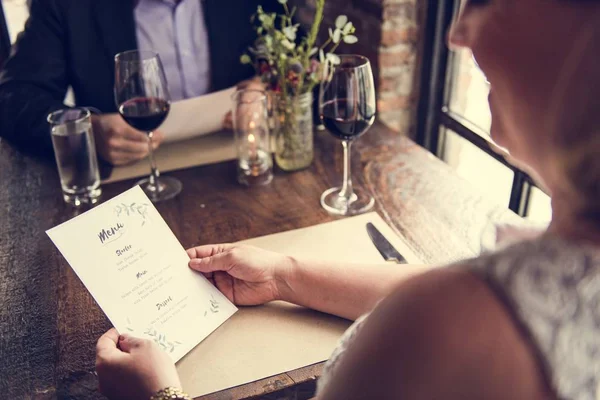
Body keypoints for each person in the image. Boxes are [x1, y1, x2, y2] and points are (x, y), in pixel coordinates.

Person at [94, 0, 600, 399]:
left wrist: (159, 395)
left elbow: (451, 302)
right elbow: (442, 282)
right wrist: (283, 274)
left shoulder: (453, 324)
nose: (457, 31)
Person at [0, 0, 279, 166]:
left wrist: (266, 86)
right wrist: (86, 132)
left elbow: (300, 57)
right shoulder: (66, 5)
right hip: (126, 185)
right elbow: (14, 97)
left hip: (242, 158)